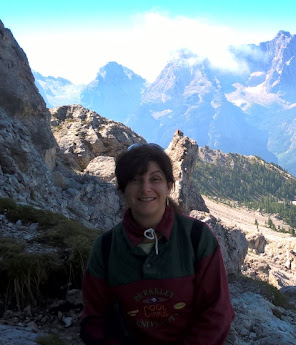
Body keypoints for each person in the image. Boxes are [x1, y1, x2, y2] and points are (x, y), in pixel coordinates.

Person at [80, 143, 234, 345]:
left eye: (155, 179)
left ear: (169, 186)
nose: (146, 188)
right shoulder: (106, 247)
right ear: (122, 188)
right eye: (135, 180)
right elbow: (94, 320)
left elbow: (217, 312)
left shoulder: (197, 237)